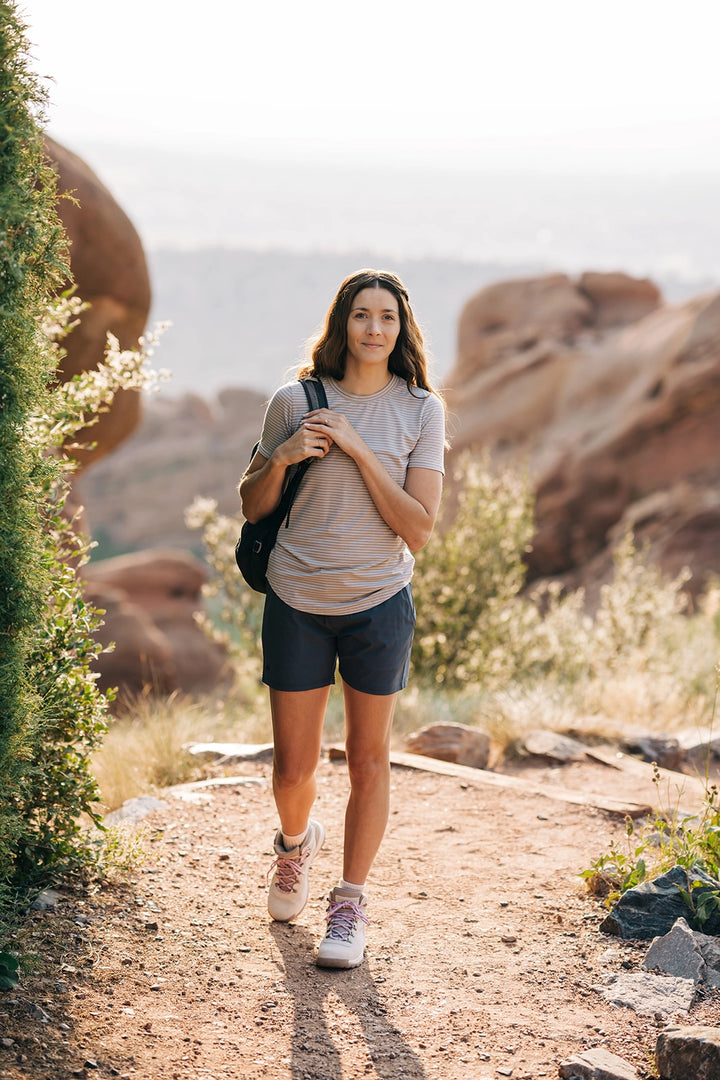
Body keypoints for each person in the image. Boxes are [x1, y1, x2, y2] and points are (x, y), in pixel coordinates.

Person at [238, 268, 445, 969]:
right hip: (297, 600)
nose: (374, 328)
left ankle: (350, 902)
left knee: (367, 759)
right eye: (362, 315)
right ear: (343, 323)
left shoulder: (422, 410)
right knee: (293, 770)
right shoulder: (294, 401)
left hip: (379, 603)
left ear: (401, 328)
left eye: (387, 316)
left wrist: (357, 447)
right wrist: (286, 455)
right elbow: (252, 504)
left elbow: (417, 528)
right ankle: (295, 846)